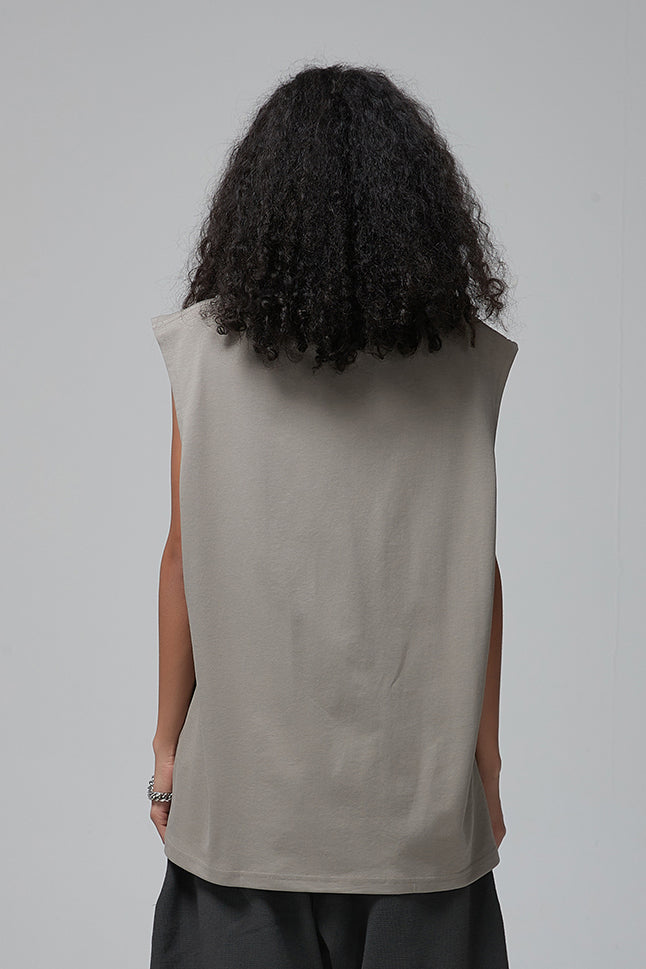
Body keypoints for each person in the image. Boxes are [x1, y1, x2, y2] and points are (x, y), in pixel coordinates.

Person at [147, 63, 519, 969]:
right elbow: (476, 577)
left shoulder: (202, 355)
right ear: (422, 207)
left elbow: (183, 559)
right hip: (419, 822)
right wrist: (487, 765)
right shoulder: (467, 361)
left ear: (258, 204)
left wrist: (165, 751)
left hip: (243, 812)